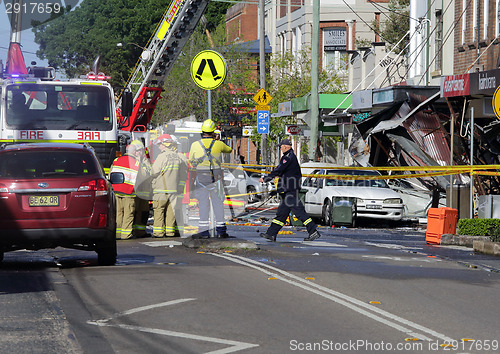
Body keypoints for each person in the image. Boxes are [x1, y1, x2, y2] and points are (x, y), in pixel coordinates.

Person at [259, 138, 321, 242]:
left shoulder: (287, 158)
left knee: (299, 212)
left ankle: (313, 231)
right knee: (282, 214)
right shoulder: (289, 156)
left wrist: (265, 178)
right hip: (287, 190)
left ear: (286, 147)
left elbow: (278, 170)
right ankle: (271, 234)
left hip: (290, 190)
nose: (280, 148)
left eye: (281, 147)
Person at [189, 119, 232, 238]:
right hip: (216, 178)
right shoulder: (218, 144)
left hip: (201, 178)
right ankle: (221, 231)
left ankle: (203, 232)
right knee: (218, 204)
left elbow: (191, 160)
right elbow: (229, 150)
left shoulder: (195, 145)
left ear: (202, 131)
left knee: (203, 204)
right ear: (213, 132)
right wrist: (217, 141)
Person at [151, 134, 188, 238]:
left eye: (160, 144)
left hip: (161, 190)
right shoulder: (178, 157)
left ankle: (158, 233)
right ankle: (170, 232)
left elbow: (154, 171)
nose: (159, 147)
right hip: (173, 190)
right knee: (171, 212)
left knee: (159, 211)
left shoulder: (162, 156)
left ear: (164, 144)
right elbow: (182, 174)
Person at [109, 140, 147, 240]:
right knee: (128, 213)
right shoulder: (136, 163)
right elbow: (143, 177)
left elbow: (110, 174)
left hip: (116, 191)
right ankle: (126, 234)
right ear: (134, 152)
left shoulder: (117, 160)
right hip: (129, 192)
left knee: (118, 213)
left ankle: (117, 233)